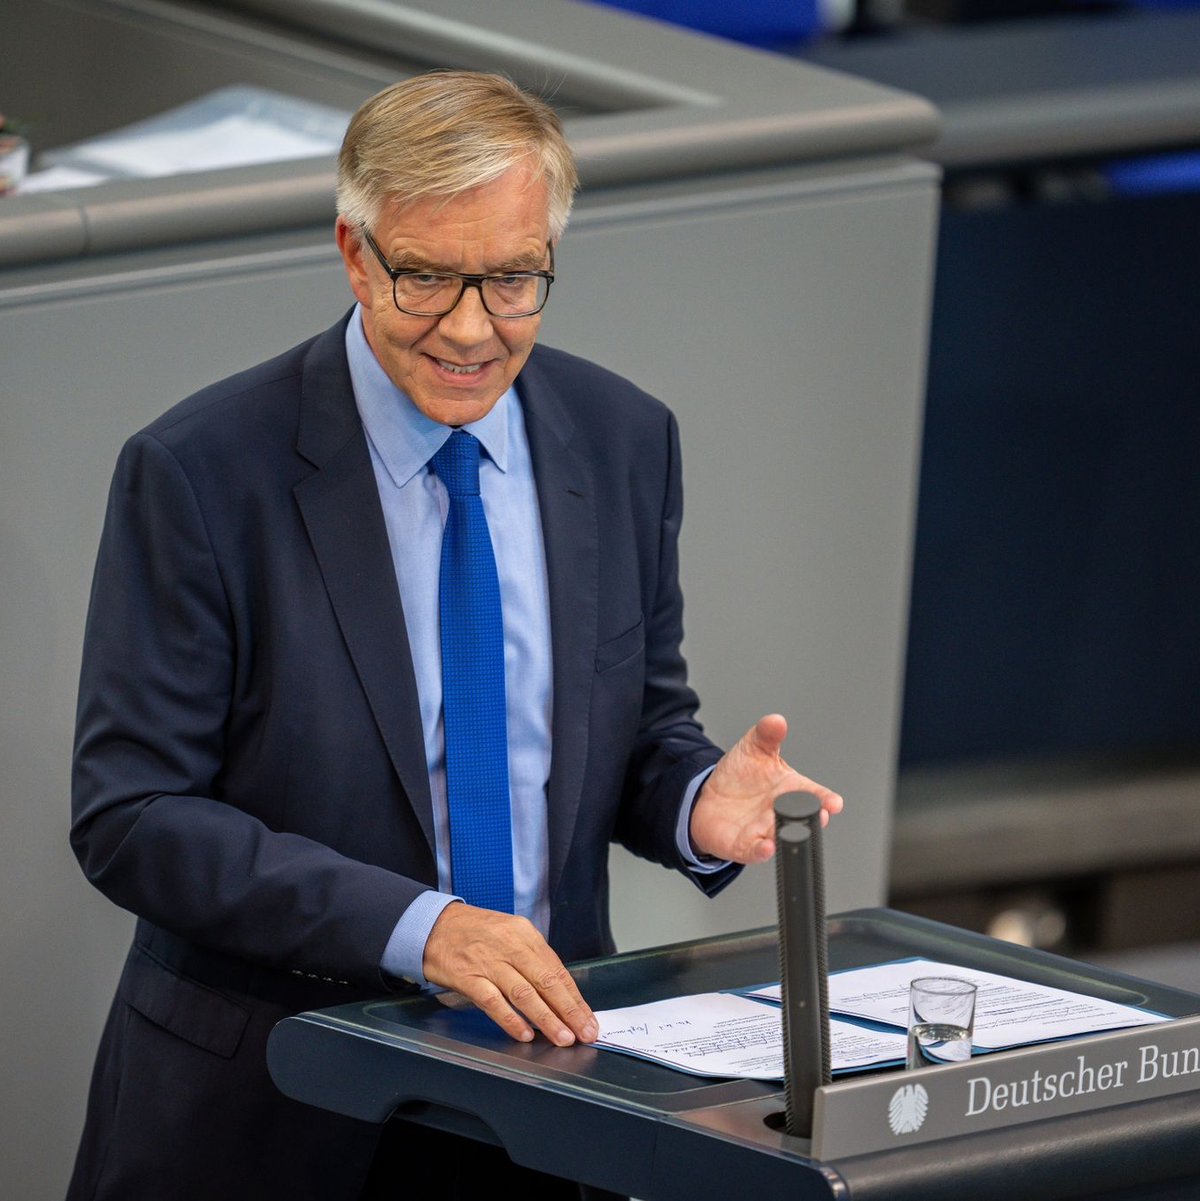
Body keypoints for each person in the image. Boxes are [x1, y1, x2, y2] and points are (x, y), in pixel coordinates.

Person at [68, 71, 842, 1201]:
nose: (472, 327)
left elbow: (632, 728)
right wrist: (419, 929)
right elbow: (132, 815)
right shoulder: (201, 471)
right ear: (354, 251)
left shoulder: (623, 439)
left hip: (539, 1100)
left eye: (515, 280)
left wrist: (690, 800)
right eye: (427, 276)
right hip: (275, 1106)